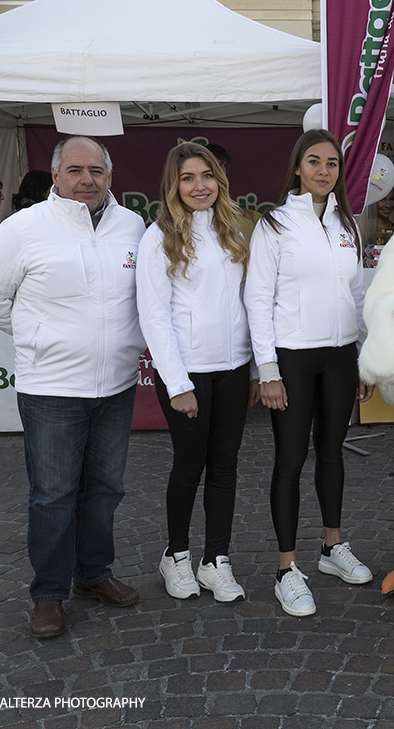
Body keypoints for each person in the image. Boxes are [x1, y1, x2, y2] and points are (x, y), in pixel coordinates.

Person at [0, 136, 146, 638]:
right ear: (55, 175)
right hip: (50, 388)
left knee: (106, 489)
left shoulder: (132, 226)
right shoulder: (23, 228)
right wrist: (38, 338)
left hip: (116, 385)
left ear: (110, 176)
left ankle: (94, 575)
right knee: (52, 495)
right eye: (75, 170)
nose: (86, 179)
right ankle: (48, 593)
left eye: (96, 170)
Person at [245, 129, 374, 618]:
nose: (324, 170)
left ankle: (331, 549)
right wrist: (268, 370)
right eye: (315, 161)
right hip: (293, 357)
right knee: (290, 460)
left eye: (332, 164)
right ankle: (286, 569)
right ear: (298, 167)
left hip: (340, 355)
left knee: (332, 454)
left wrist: (362, 356)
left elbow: (357, 295)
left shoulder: (347, 223)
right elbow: (257, 300)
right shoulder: (273, 225)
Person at [137, 143, 260, 603]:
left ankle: (216, 560)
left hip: (231, 369)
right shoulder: (158, 237)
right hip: (186, 373)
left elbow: (246, 306)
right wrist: (178, 383)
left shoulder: (233, 231)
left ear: (219, 180)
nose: (199, 186)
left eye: (207, 176)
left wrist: (250, 369)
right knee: (190, 465)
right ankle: (177, 555)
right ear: (174, 184)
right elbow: (154, 316)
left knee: (225, 466)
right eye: (188, 178)